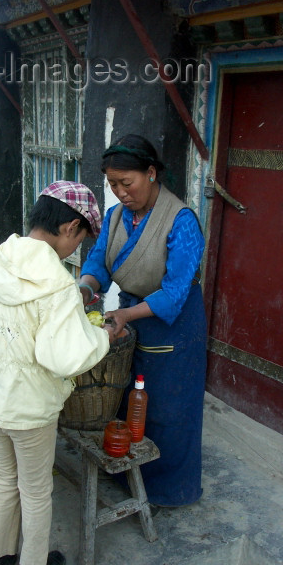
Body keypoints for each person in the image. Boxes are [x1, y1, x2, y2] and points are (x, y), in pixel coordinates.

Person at [0, 181, 114, 565]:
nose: (74, 249)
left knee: (5, 477)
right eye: (79, 238)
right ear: (69, 228)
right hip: (28, 406)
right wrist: (102, 339)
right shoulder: (57, 283)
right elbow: (64, 357)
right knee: (37, 488)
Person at [79, 134, 207, 508]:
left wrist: (125, 314)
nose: (120, 192)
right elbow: (98, 263)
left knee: (168, 410)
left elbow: (174, 292)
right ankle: (128, 479)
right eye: (113, 185)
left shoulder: (181, 221)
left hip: (174, 325)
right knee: (128, 402)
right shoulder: (118, 217)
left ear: (151, 174)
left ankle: (169, 491)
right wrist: (84, 291)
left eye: (127, 183)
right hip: (130, 317)